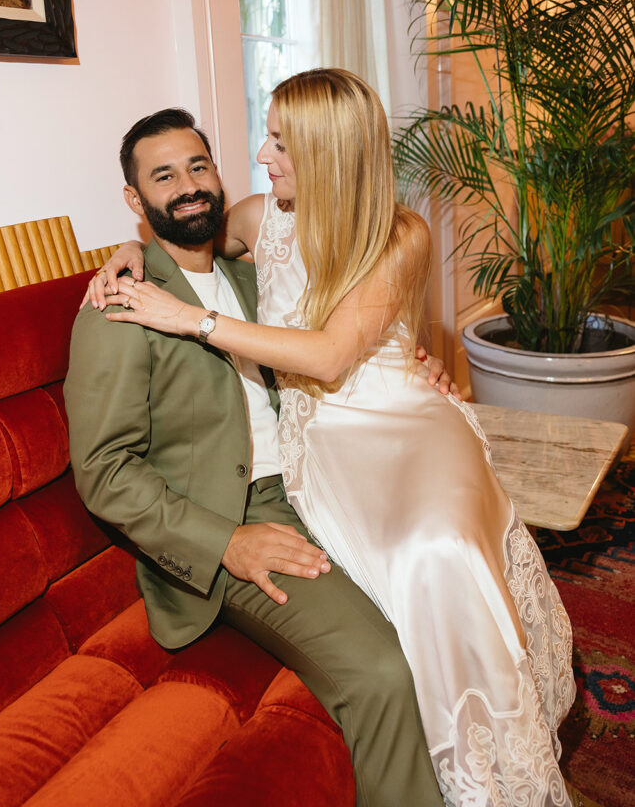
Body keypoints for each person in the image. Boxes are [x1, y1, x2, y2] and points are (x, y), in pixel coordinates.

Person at [95, 70, 578, 807]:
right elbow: (185, 237)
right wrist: (121, 252)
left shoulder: (398, 231)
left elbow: (325, 351)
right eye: (266, 136)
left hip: (405, 419)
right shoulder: (258, 220)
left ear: (327, 152)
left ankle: (505, 767)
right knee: (417, 570)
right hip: (324, 443)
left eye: (281, 143)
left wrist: (186, 318)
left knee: (444, 545)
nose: (260, 154)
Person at [64, 106, 449, 807]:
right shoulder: (121, 304)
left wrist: (408, 363)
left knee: (444, 616)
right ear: (135, 200)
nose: (188, 186)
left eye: (198, 166)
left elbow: (331, 345)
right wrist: (227, 542)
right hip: (236, 520)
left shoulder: (252, 278)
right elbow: (105, 472)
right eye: (163, 175)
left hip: (324, 491)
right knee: (383, 671)